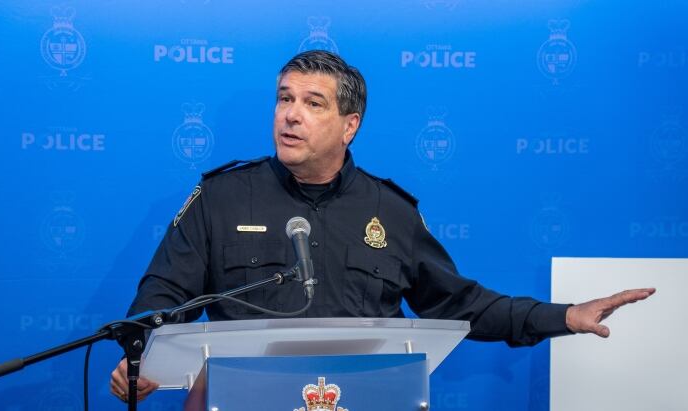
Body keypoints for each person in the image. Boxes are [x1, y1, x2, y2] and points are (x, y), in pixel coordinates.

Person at [109, 50, 655, 402]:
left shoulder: (391, 211)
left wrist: (565, 315)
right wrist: (142, 351)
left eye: (311, 103)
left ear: (350, 126)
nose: (290, 114)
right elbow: (163, 292)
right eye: (284, 99)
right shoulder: (223, 197)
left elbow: (460, 305)